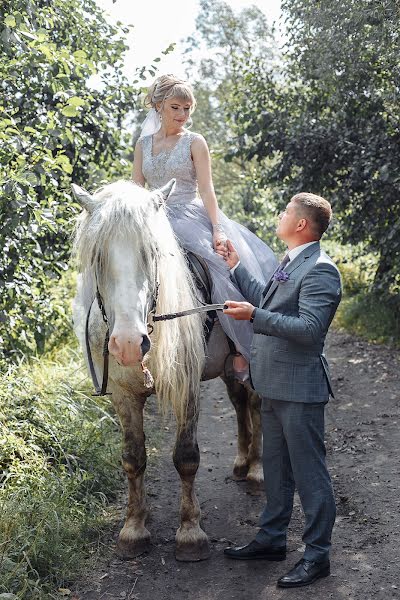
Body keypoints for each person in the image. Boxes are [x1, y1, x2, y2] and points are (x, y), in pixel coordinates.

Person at [222, 193, 341, 588]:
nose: (280, 215)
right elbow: (269, 301)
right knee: (275, 470)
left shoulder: (322, 270)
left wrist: (254, 316)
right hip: (271, 384)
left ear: (303, 224)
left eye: (286, 211)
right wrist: (236, 266)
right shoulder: (290, 261)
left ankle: (317, 556)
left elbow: (309, 330)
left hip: (300, 389)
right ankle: (272, 539)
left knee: (310, 475)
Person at [132, 74, 277, 378]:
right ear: (158, 106)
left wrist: (217, 228)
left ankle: (239, 347)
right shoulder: (143, 145)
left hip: (189, 215)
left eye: (188, 109)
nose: (183, 115)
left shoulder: (194, 142)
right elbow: (137, 189)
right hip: (153, 218)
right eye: (176, 107)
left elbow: (207, 189)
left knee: (219, 266)